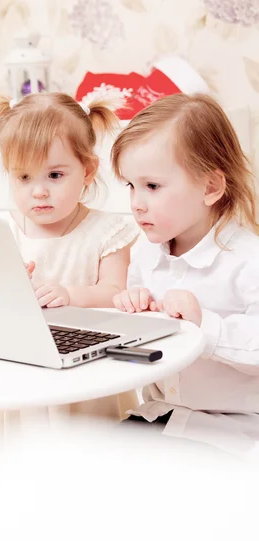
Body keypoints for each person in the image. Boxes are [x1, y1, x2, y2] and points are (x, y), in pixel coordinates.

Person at [0, 92, 138, 457]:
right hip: (17, 369)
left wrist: (70, 294)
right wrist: (6, 288)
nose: (38, 190)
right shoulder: (2, 230)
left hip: (83, 371)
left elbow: (115, 292)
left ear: (87, 171)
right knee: (7, 460)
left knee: (81, 460)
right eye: (23, 177)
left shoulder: (106, 231)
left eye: (55, 175)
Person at [111, 92, 259, 455]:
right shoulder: (146, 252)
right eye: (131, 185)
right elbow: (142, 346)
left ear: (210, 187)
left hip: (237, 426)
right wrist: (133, 309)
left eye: (153, 186)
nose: (136, 202)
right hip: (162, 415)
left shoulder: (247, 259)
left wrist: (202, 324)